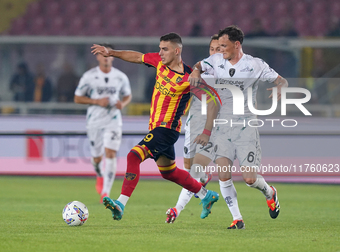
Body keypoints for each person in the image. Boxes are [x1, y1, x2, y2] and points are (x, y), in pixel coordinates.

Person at [91, 33, 219, 221]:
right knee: (169, 172)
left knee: (133, 156)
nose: (160, 52)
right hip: (156, 129)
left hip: (166, 130)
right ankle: (206, 195)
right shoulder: (159, 63)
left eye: (164, 49)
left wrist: (207, 130)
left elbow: (214, 99)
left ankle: (120, 203)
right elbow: (136, 57)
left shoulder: (188, 78)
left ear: (176, 51)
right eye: (159, 48)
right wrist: (111, 52)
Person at [190, 25, 287, 229]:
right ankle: (237, 218)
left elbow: (281, 80)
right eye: (218, 46)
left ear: (236, 45)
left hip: (245, 127)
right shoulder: (216, 60)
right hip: (222, 127)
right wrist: (196, 72)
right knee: (223, 174)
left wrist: (280, 87)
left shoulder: (255, 65)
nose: (220, 49)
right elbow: (198, 65)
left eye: (224, 46)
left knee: (250, 178)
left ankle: (270, 192)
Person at [165, 34, 221, 223]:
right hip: (192, 125)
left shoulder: (228, 76)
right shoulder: (198, 73)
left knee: (194, 171)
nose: (215, 53)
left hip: (213, 128)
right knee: (189, 169)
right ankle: (203, 182)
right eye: (212, 49)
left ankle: (176, 209)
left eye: (219, 49)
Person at [74, 43, 132, 203]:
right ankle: (99, 174)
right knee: (97, 158)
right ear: (98, 56)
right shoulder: (89, 76)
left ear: (112, 57)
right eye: (102, 55)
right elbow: (77, 98)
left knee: (111, 153)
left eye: (108, 55)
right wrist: (96, 101)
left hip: (113, 120)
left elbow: (127, 95)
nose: (106, 58)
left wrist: (123, 104)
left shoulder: (120, 77)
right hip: (94, 121)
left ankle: (105, 192)